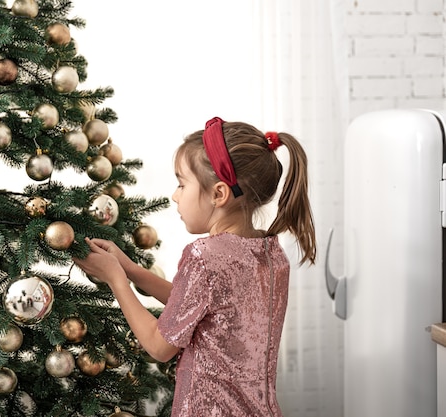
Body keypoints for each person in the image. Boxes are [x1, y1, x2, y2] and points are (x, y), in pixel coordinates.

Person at [73, 117, 316, 417]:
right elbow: (200, 304)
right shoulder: (271, 254)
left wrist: (115, 279)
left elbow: (160, 347)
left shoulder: (205, 256)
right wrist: (131, 269)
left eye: (181, 184)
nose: (175, 195)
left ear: (218, 194)